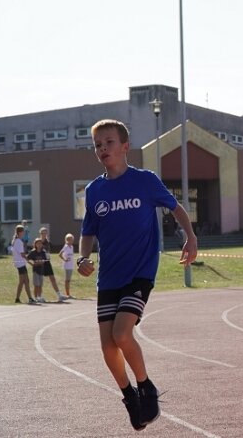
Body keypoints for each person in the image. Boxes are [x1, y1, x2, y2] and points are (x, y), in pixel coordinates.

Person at [77, 119, 198, 431]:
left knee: (121, 333)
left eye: (109, 142)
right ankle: (129, 395)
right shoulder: (94, 191)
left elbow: (176, 208)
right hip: (109, 277)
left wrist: (190, 236)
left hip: (140, 273)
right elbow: (88, 231)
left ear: (125, 146)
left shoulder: (145, 181)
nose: (103, 149)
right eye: (97, 145)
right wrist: (84, 257)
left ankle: (146, 386)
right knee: (107, 346)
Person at [27, 238, 65, 302]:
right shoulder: (33, 252)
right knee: (36, 285)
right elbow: (27, 258)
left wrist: (42, 261)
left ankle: (39, 297)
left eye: (40, 243)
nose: (39, 245)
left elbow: (45, 260)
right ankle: (35, 297)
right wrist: (32, 263)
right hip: (36, 270)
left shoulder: (43, 252)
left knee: (40, 285)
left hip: (41, 270)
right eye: (37, 244)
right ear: (35, 244)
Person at [11, 225, 34, 304]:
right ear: (20, 232)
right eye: (23, 231)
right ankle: (30, 298)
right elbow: (22, 254)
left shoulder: (16, 241)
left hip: (19, 263)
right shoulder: (19, 242)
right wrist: (29, 261)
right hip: (20, 264)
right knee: (26, 281)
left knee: (22, 281)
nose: (24, 233)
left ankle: (17, 298)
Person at [38, 227, 64, 299]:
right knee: (40, 280)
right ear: (40, 234)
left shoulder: (48, 242)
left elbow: (49, 251)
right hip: (41, 263)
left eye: (45, 233)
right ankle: (40, 296)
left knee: (52, 278)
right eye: (43, 233)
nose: (44, 234)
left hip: (47, 262)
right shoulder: (38, 242)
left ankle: (59, 295)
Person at [58, 233, 76, 299]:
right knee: (67, 280)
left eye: (71, 239)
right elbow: (60, 254)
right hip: (67, 265)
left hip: (71, 265)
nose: (71, 241)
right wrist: (65, 259)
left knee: (69, 280)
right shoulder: (65, 247)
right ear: (66, 240)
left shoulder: (72, 247)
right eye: (69, 240)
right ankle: (67, 294)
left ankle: (68, 294)